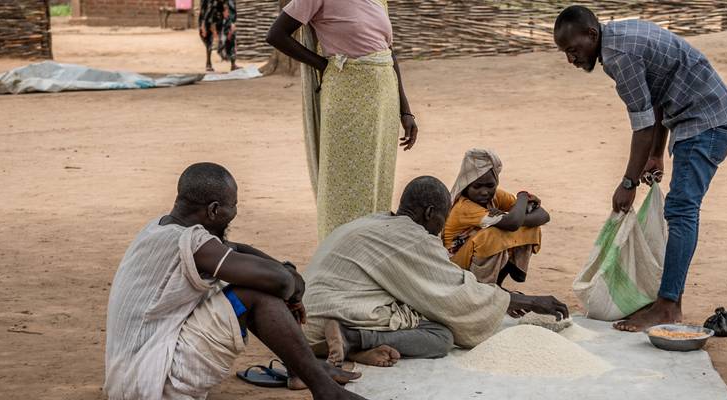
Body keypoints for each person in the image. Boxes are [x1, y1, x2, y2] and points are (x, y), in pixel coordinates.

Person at [553, 5, 727, 331]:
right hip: (698, 118)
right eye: (566, 53)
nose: (571, 60)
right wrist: (655, 154)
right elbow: (655, 96)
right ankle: (668, 301)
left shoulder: (618, 56)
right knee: (681, 208)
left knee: (682, 209)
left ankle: (668, 306)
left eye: (573, 50)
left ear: (591, 34)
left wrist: (628, 183)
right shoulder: (618, 38)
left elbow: (642, 125)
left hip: (706, 122)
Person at [104, 162, 364, 400]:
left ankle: (306, 369)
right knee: (256, 294)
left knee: (252, 283)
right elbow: (280, 283)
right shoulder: (193, 244)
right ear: (214, 210)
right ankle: (326, 391)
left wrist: (285, 273)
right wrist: (292, 286)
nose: (235, 212)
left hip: (131, 377)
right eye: (233, 206)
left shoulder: (160, 229)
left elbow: (234, 249)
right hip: (153, 382)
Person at [300, 176, 570, 367]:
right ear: (430, 213)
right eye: (441, 219)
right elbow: (452, 293)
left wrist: (501, 298)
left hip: (303, 320)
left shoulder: (374, 222)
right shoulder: (412, 237)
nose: (441, 229)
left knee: (415, 310)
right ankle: (351, 338)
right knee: (441, 337)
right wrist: (526, 300)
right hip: (326, 321)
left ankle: (354, 346)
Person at [266, 0, 419, 239]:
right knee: (345, 182)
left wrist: (405, 111)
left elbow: (389, 52)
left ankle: (370, 246)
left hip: (384, 98)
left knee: (378, 180)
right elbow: (277, 34)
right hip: (347, 97)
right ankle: (339, 249)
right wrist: (322, 64)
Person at [443, 148, 550, 288]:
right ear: (466, 186)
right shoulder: (464, 207)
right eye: (477, 186)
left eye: (490, 185)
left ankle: (498, 284)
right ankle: (482, 288)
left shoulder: (496, 196)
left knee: (526, 226)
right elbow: (513, 222)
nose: (484, 192)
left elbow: (543, 215)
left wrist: (512, 218)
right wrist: (523, 196)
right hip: (456, 263)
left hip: (474, 255)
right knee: (492, 235)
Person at [199, 0, 237, 72]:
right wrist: (203, 25)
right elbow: (204, 10)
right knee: (208, 36)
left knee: (231, 34)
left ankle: (233, 64)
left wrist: (232, 22)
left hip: (223, 13)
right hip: (211, 15)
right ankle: (208, 63)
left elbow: (232, 8)